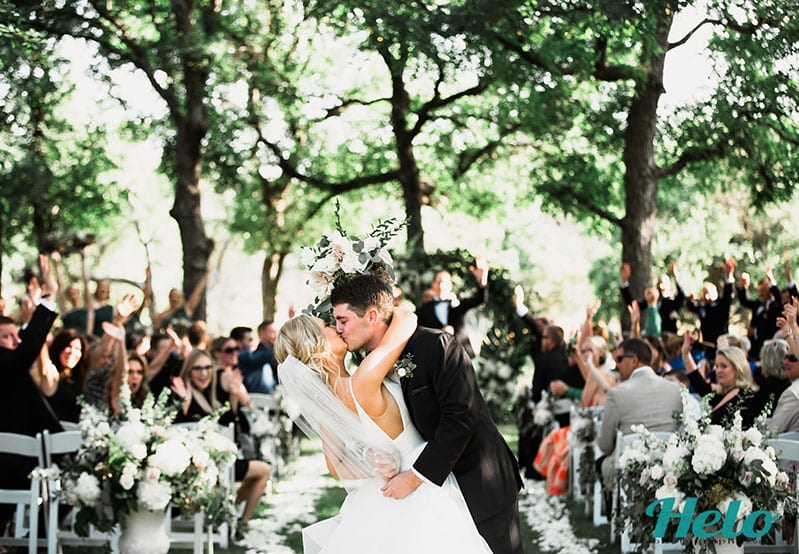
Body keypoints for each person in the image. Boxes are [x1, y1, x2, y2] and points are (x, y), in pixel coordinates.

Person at [330, 274, 522, 553]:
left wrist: (415, 477)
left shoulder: (436, 346)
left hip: (478, 481)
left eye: (343, 320)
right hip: (434, 499)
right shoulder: (372, 364)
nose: (338, 329)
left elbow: (461, 415)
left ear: (371, 316)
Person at [274, 310, 493, 554]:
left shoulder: (327, 401)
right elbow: (407, 319)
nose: (336, 327)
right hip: (418, 478)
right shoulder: (363, 378)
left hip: (382, 491)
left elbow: (336, 466)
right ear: (316, 345)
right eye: (326, 325)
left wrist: (372, 467)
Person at [171, 350, 270, 525]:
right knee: (263, 470)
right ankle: (235, 519)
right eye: (197, 368)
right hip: (197, 465)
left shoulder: (213, 394)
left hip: (219, 460)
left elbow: (231, 427)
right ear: (189, 371)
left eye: (207, 368)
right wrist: (183, 405)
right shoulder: (182, 394)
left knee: (263, 471)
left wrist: (234, 396)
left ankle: (234, 518)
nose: (203, 373)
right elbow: (178, 429)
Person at [595, 338, 682, 490]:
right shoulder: (675, 389)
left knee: (601, 463)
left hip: (629, 473)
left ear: (634, 360)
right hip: (670, 468)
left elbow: (605, 445)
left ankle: (612, 505)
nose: (617, 365)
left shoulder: (616, 393)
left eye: (619, 359)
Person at [681, 333, 760, 428]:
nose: (718, 370)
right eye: (717, 366)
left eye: (724, 366)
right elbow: (699, 384)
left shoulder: (742, 396)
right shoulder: (723, 392)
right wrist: (686, 354)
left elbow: (712, 421)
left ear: (738, 368)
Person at [416, 259, 488, 358]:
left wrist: (482, 280)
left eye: (444, 282)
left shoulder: (459, 303)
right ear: (433, 284)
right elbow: (420, 334)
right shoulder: (424, 310)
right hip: (438, 358)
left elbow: (479, 299)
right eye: (438, 282)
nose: (441, 286)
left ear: (450, 285)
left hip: (463, 355)